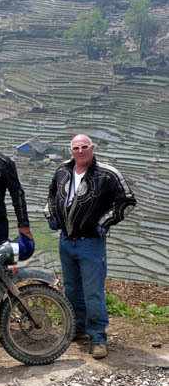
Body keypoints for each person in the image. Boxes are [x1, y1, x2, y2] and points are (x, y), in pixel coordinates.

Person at [45, 134, 136, 359]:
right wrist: (51, 215)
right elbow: (51, 195)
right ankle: (76, 331)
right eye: (76, 148)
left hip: (91, 243)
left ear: (92, 148)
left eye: (84, 147)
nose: (80, 151)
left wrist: (103, 223)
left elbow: (127, 201)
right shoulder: (62, 171)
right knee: (72, 290)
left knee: (93, 293)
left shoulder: (107, 174)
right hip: (66, 242)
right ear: (71, 150)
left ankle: (97, 338)